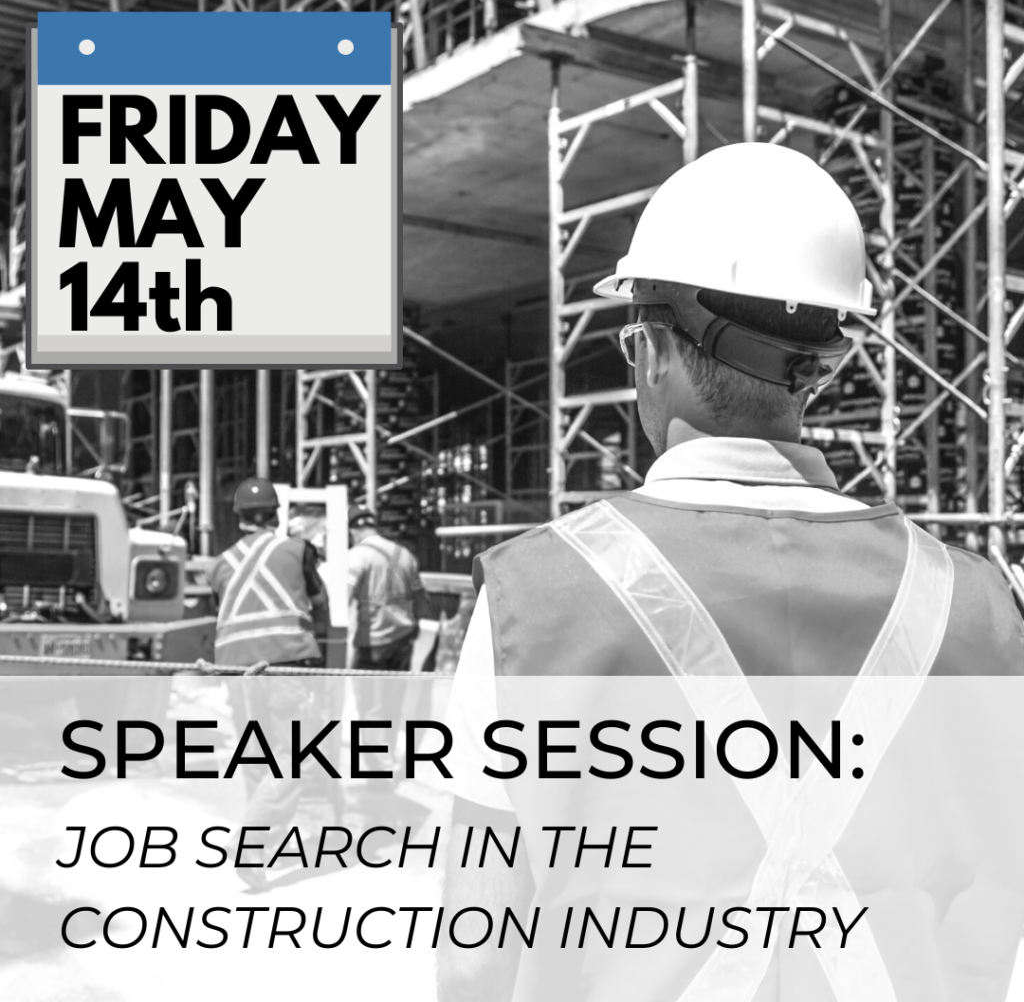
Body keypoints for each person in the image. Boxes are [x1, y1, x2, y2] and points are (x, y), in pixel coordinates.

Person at [439, 143, 1024, 1001]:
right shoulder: (981, 607)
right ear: (820, 367)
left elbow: (477, 942)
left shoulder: (535, 597)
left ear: (650, 352)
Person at [208, 476, 330, 891]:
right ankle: (251, 845)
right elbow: (319, 603)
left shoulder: (219, 565)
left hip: (236, 673)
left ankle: (260, 847)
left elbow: (223, 612)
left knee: (255, 756)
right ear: (277, 514)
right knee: (294, 757)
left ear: (238, 517)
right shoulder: (297, 550)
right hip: (282, 665)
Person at [347, 506, 431, 762]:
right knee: (392, 704)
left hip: (372, 642)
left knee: (370, 707)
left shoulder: (357, 556)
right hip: (403, 641)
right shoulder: (405, 554)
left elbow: (344, 597)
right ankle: (390, 755)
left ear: (353, 530)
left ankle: (379, 769)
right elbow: (421, 599)